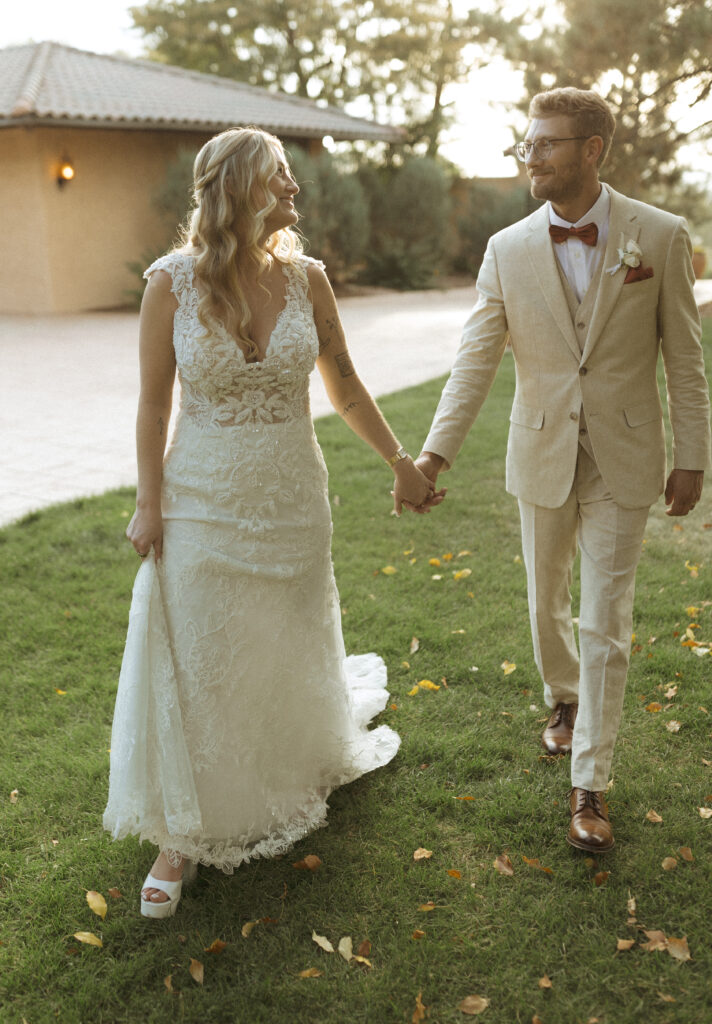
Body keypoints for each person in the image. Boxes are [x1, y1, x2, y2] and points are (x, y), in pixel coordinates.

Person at [103, 126, 443, 918]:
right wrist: (150, 503)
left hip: (293, 494)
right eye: (279, 177)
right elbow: (154, 405)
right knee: (202, 652)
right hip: (202, 495)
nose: (294, 190)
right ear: (234, 187)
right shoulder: (171, 284)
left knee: (281, 639)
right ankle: (179, 835)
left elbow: (347, 386)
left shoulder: (308, 279)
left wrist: (400, 463)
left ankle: (288, 762)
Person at [415, 88, 711, 852]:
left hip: (626, 454)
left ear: (592, 150)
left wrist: (692, 457)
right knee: (544, 597)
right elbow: (474, 360)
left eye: (546, 143)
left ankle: (590, 786)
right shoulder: (506, 249)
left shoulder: (659, 235)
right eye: (527, 143)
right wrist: (433, 453)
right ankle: (563, 698)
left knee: (604, 619)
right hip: (540, 447)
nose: (531, 156)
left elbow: (684, 357)